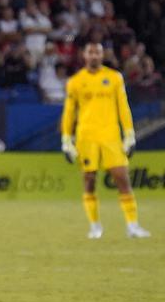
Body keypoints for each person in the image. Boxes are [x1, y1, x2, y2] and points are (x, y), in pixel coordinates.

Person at [60, 42, 150, 239]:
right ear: (84, 55)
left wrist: (129, 135)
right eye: (90, 52)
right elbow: (69, 112)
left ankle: (132, 226)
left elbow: (123, 107)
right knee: (89, 181)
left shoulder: (114, 78)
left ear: (102, 55)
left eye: (97, 52)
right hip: (86, 137)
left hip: (110, 136)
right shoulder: (75, 81)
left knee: (122, 179)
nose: (94, 56)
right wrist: (66, 139)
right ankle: (94, 226)